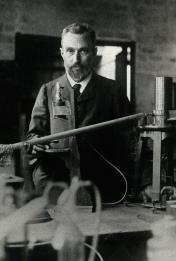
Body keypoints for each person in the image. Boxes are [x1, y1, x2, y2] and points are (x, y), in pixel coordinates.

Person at [26, 22, 132, 204]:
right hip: (56, 191)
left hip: (104, 192)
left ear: (94, 52)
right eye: (70, 51)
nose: (76, 59)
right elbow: (33, 137)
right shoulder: (48, 91)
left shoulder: (113, 91)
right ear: (62, 53)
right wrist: (34, 143)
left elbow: (133, 143)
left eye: (83, 51)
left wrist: (143, 183)